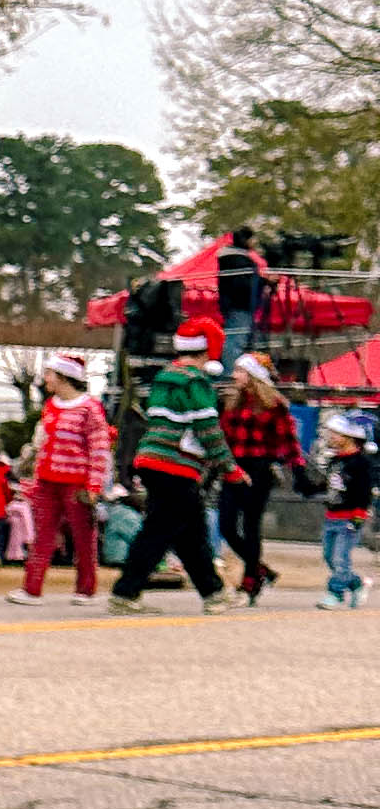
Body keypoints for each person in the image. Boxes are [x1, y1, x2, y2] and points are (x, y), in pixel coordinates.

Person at [109, 331, 233, 613]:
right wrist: (229, 466)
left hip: (152, 460)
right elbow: (208, 429)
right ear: (206, 352)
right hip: (177, 465)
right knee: (159, 532)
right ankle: (125, 592)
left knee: (190, 530)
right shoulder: (197, 382)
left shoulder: (163, 378)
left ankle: (213, 593)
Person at [20, 352, 113, 600]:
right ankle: (31, 588)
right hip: (48, 481)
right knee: (43, 535)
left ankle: (85, 588)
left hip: (76, 484)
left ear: (64, 377)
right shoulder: (50, 406)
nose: (46, 379)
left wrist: (94, 485)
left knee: (83, 537)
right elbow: (44, 445)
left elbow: (99, 448)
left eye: (49, 374)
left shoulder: (90, 408)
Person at [218, 355, 303, 603]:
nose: (235, 376)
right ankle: (261, 570)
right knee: (226, 526)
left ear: (254, 375)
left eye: (240, 371)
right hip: (233, 468)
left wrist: (297, 468)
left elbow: (288, 441)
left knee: (251, 526)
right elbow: (222, 436)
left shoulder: (273, 404)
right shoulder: (230, 401)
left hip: (259, 469)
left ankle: (250, 583)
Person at [316, 409, 373, 611]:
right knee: (330, 557)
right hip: (331, 517)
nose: (332, 437)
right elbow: (328, 486)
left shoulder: (360, 463)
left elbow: (364, 492)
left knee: (341, 558)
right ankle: (357, 584)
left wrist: (359, 515)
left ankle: (335, 593)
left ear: (350, 437)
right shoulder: (335, 461)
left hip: (349, 518)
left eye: (336, 434)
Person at [214, 230, 270, 376]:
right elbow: (244, 286)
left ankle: (233, 373)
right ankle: (230, 374)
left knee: (236, 340)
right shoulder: (238, 261)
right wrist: (263, 280)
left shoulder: (232, 259)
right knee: (235, 341)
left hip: (236, 306)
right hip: (240, 307)